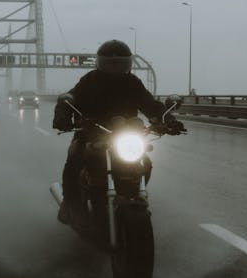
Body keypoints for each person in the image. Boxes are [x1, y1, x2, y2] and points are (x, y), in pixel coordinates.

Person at [52, 40, 184, 224]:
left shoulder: (132, 83)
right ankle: (70, 206)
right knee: (74, 159)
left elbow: (151, 105)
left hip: (126, 134)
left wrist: (168, 119)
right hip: (92, 133)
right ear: (101, 63)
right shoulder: (89, 81)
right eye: (110, 63)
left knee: (144, 162)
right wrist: (63, 116)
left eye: (120, 63)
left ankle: (135, 192)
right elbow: (70, 98)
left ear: (127, 63)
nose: (115, 67)